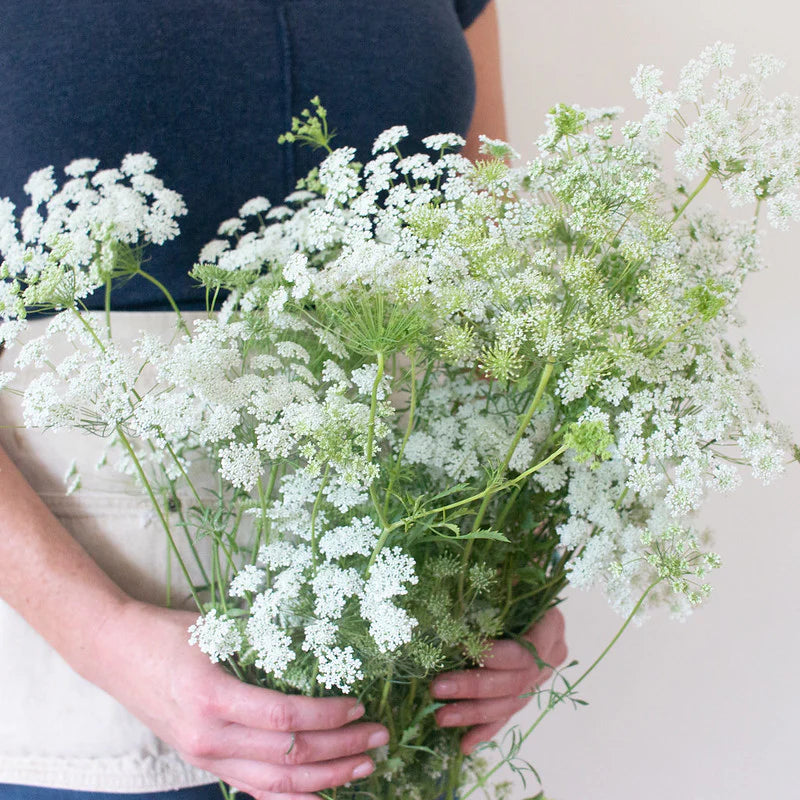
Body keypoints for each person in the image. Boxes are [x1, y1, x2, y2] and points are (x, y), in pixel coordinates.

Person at [0, 2, 568, 798]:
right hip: (92, 704)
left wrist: (514, 568)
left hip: (387, 676)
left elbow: (487, 275)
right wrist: (103, 637)